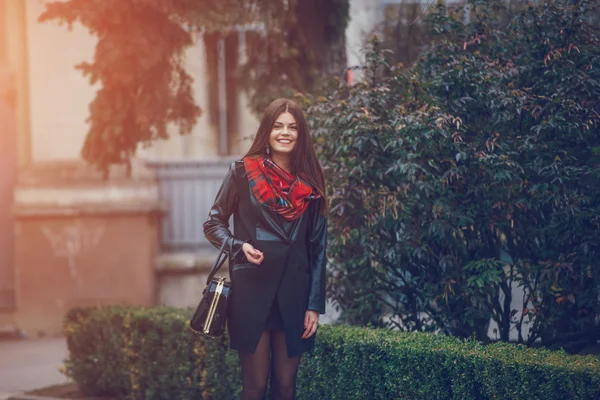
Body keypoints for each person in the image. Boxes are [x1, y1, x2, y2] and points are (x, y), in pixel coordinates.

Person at [203, 98, 328, 400]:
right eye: (278, 126)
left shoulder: (311, 184)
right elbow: (213, 223)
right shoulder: (241, 173)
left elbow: (318, 250)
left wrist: (314, 305)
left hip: (294, 296)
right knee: (255, 388)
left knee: (286, 387)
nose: (285, 133)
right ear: (267, 132)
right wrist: (238, 245)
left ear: (300, 134)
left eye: (292, 127)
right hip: (252, 292)